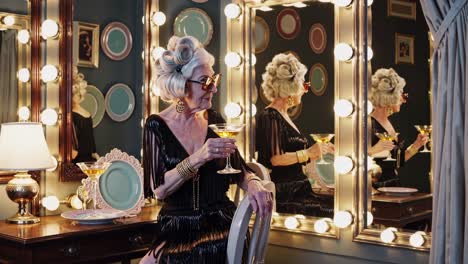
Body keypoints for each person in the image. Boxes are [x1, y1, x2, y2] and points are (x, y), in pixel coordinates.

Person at [140, 36, 273, 263]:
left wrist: (253, 182)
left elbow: (240, 169)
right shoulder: (156, 126)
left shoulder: (215, 120)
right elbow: (159, 190)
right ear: (180, 86)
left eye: (214, 80)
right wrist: (200, 157)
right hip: (176, 227)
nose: (214, 88)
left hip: (219, 224)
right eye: (205, 81)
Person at [255, 53, 334, 217]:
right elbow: (276, 159)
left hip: (300, 188)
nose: (305, 91)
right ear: (290, 87)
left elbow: (299, 157)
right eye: (304, 86)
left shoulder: (284, 116)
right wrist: (309, 153)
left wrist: (320, 151)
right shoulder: (270, 116)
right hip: (287, 193)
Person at [368, 68, 428, 189]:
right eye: (401, 95)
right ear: (389, 98)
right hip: (375, 189)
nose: (403, 100)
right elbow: (351, 160)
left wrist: (416, 145)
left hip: (392, 185)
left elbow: (397, 162)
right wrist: (374, 150)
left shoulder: (390, 123)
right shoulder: (368, 124)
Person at [71, 66, 98, 163]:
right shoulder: (87, 114)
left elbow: (74, 152)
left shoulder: (72, 115)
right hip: (89, 159)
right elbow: (92, 144)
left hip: (79, 161)